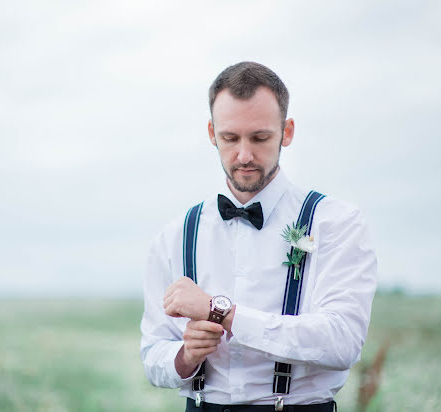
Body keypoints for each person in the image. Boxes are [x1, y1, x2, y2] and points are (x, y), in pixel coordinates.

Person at [140, 61, 377, 411]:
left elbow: (341, 342)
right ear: (211, 133)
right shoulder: (176, 235)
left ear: (287, 131)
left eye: (260, 138)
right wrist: (185, 357)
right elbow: (153, 354)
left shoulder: (337, 223)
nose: (244, 155)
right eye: (230, 138)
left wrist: (220, 312)